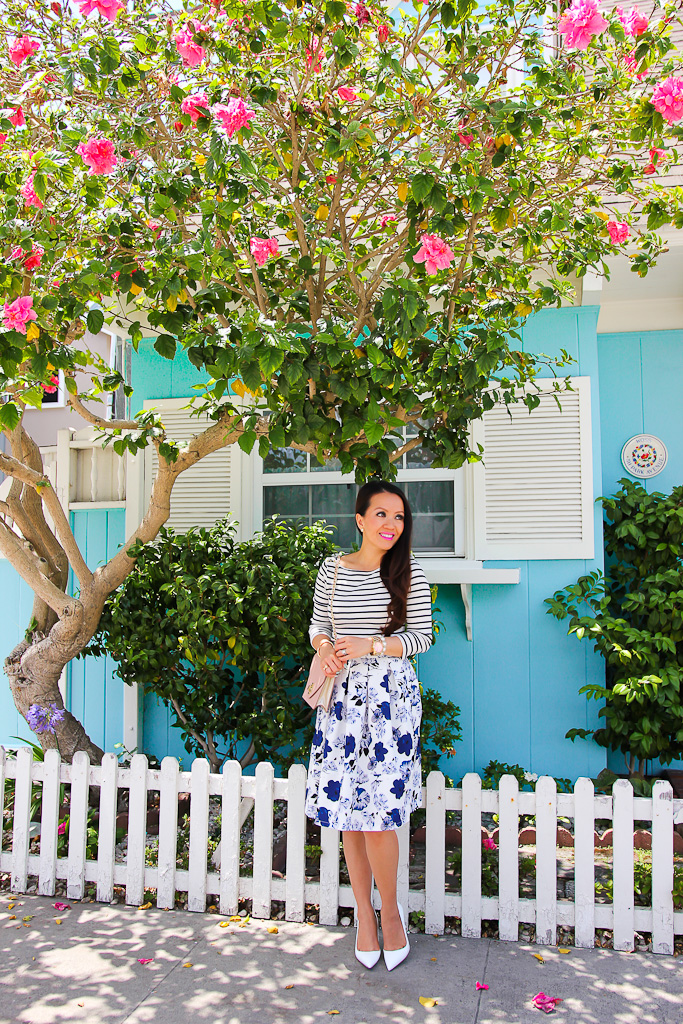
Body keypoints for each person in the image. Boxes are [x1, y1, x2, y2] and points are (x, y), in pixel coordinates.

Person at [305, 479, 433, 971]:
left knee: (380, 816)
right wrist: (324, 648)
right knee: (348, 815)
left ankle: (393, 915)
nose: (390, 525)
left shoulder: (409, 573)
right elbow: (319, 624)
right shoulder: (332, 571)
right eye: (381, 515)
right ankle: (363, 914)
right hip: (340, 702)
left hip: (390, 705)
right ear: (360, 520)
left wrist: (370, 646)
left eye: (399, 518)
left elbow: (421, 638)